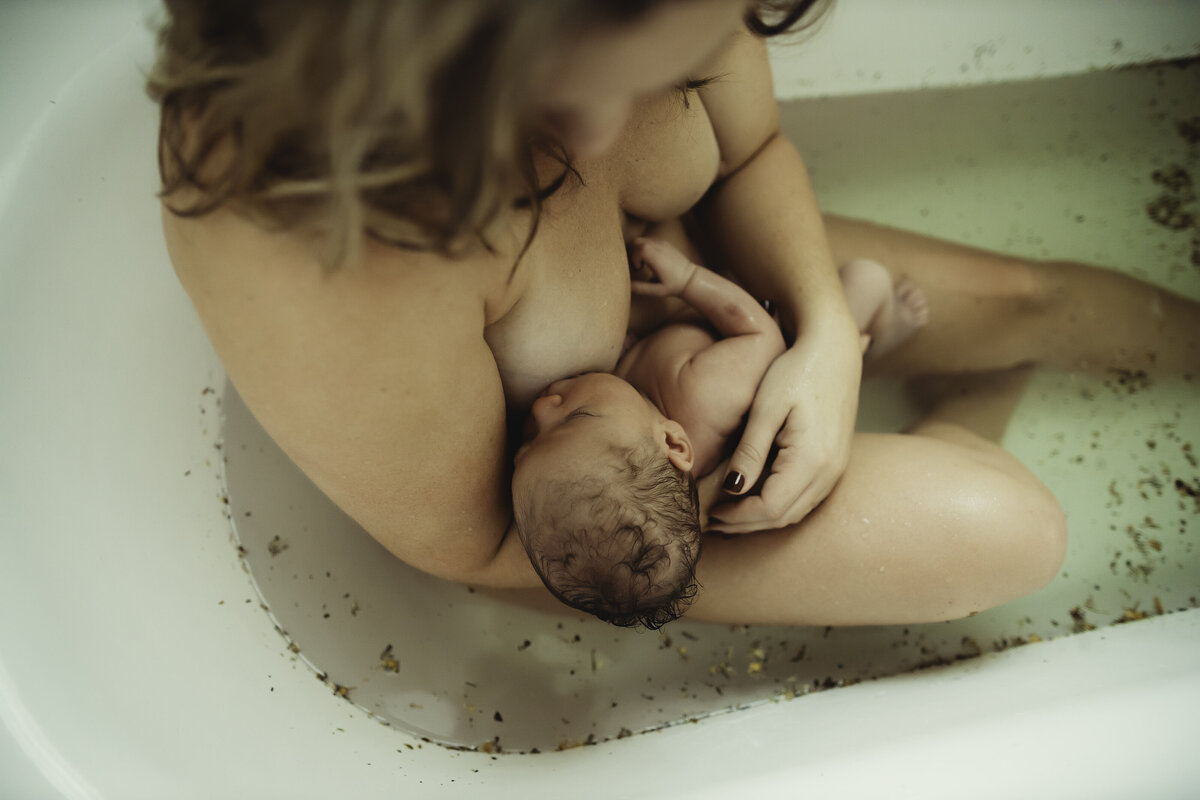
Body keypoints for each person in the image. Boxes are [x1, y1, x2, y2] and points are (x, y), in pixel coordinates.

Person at [149, 0, 1200, 626]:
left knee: (1038, 300)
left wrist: (830, 339)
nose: (604, 133)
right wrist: (671, 517)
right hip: (603, 508)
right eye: (554, 96)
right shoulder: (305, 230)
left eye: (667, 77)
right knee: (1008, 528)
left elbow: (745, 154)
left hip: (684, 311)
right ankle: (964, 402)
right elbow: (469, 540)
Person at [512, 234, 928, 628]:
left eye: (529, 441)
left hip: (752, 367)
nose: (540, 408)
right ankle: (882, 336)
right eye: (572, 418)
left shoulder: (625, 435)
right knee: (866, 279)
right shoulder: (704, 393)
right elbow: (757, 330)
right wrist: (690, 280)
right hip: (782, 356)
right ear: (673, 441)